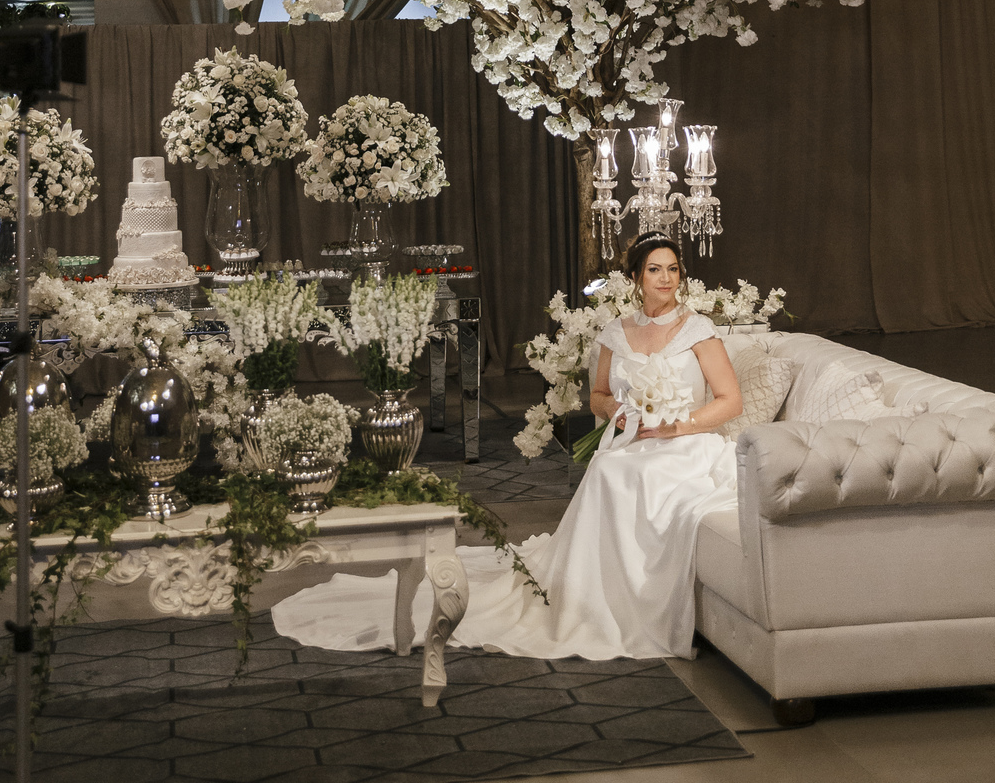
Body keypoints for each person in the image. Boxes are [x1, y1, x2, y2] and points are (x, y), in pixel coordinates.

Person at [272, 234, 744, 661]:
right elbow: (597, 397)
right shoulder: (617, 332)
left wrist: (677, 425)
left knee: (619, 474)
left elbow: (730, 400)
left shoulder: (697, 330)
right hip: (632, 441)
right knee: (608, 470)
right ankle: (594, 598)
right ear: (637, 278)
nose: (665, 279)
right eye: (655, 269)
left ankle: (638, 601)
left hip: (685, 444)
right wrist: (618, 411)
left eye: (673, 269)